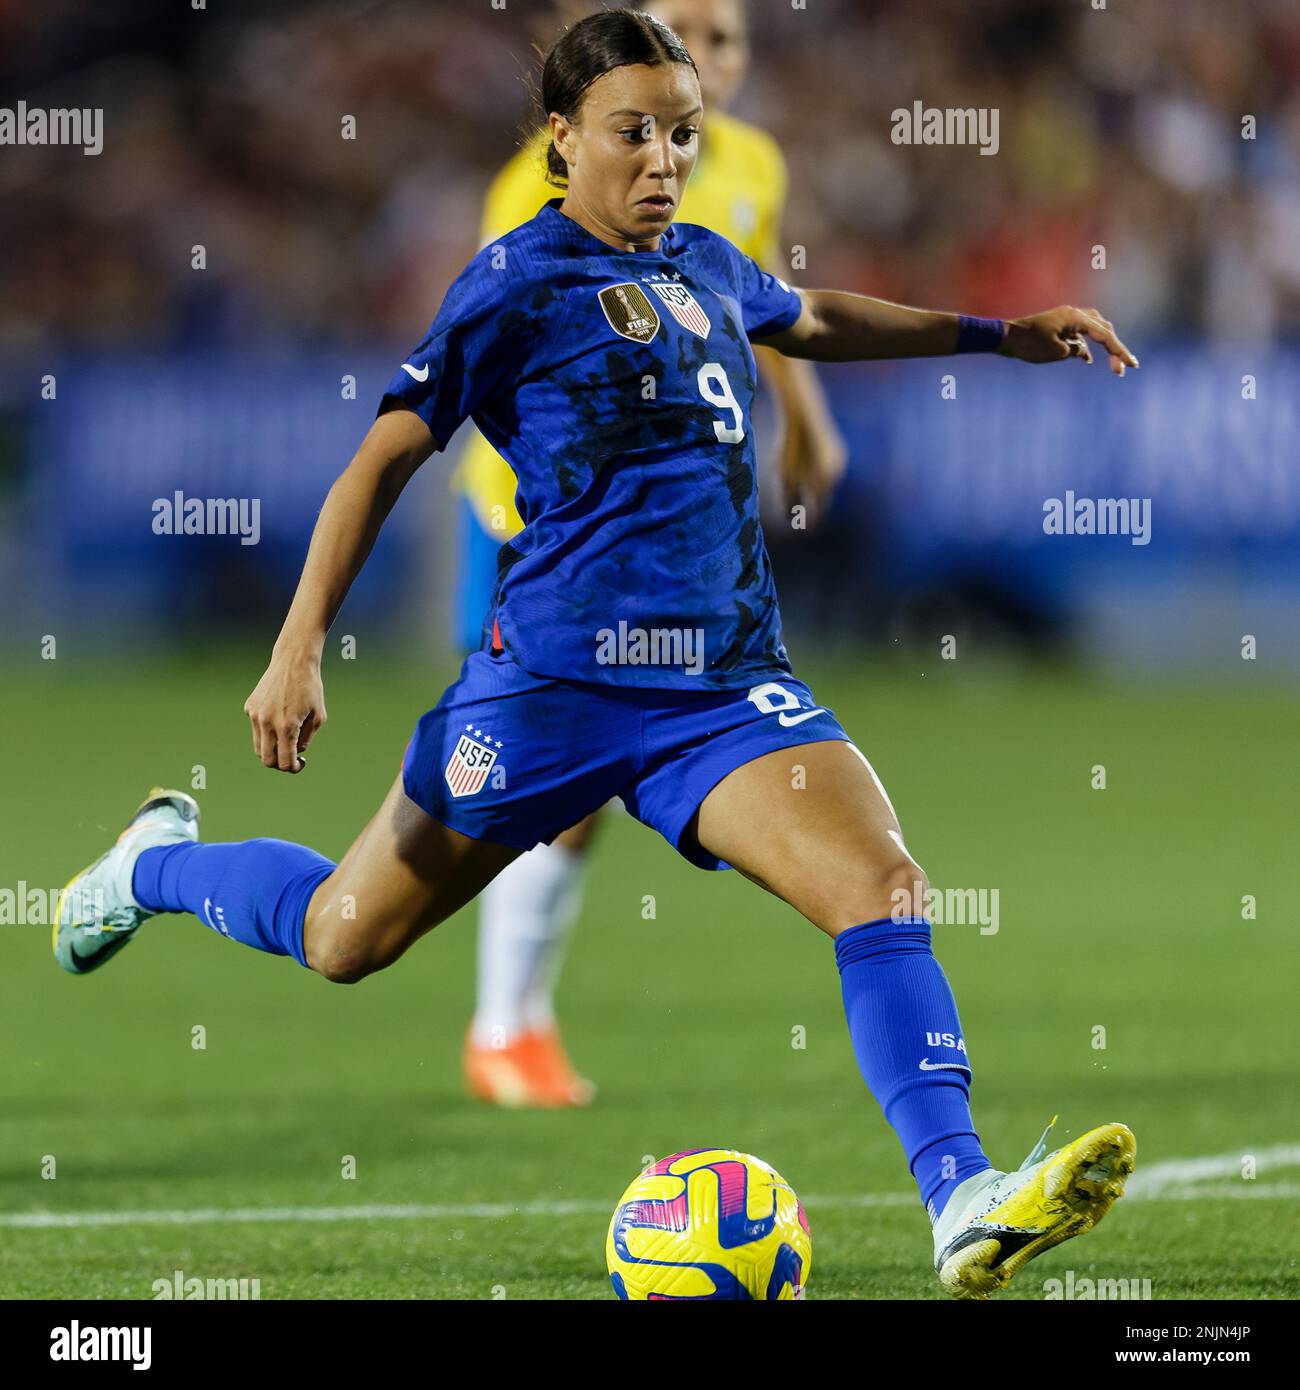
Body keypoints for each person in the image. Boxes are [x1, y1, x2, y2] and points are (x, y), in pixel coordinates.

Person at [54, 9, 1138, 1298]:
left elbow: (809, 315)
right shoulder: (513, 282)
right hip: (548, 693)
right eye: (634, 133)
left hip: (725, 688)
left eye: (680, 133)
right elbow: (379, 459)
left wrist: (991, 335)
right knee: (346, 936)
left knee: (883, 887)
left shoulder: (706, 261)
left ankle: (960, 1198)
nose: (665, 159)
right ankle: (159, 863)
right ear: (561, 138)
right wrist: (297, 649)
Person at [456, 0, 844, 1109]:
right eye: (686, 33)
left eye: (726, 42)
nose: (708, 60)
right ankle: (502, 1022)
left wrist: (804, 417)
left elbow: (757, 301)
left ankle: (507, 1025)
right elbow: (505, 323)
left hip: (655, 527)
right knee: (535, 789)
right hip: (540, 518)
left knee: (563, 785)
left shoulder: (751, 164)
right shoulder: (540, 179)